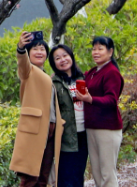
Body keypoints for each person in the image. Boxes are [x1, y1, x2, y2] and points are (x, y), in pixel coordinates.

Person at [11, 31, 63, 187]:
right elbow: (22, 64)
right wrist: (20, 48)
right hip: (34, 130)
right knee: (29, 178)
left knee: (42, 178)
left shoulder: (46, 75)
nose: (39, 52)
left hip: (50, 130)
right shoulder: (29, 71)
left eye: (42, 49)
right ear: (28, 53)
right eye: (35, 49)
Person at [81, 35, 124, 187]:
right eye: (93, 49)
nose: (96, 52)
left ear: (110, 52)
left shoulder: (112, 72)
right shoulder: (94, 71)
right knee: (97, 173)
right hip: (92, 127)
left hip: (107, 129)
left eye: (100, 48)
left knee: (107, 174)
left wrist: (90, 99)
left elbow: (112, 100)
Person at [51, 44, 88, 187]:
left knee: (79, 175)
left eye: (65, 55)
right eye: (57, 58)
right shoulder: (54, 83)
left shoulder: (83, 78)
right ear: (53, 63)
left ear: (71, 56)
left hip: (83, 134)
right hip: (65, 135)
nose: (63, 60)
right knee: (65, 177)